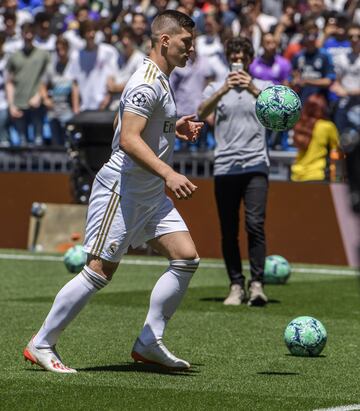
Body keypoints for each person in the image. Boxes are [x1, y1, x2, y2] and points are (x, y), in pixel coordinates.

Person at [23, 10, 203, 374]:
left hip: (149, 192)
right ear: (165, 40)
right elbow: (128, 139)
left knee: (186, 257)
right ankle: (41, 343)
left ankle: (150, 342)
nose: (192, 49)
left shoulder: (162, 79)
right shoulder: (145, 82)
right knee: (99, 271)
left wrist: (174, 127)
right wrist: (169, 172)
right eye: (186, 42)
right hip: (123, 190)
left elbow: (145, 126)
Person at [198, 36, 271, 307]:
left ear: (250, 60)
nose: (238, 62)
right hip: (226, 165)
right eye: (234, 57)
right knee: (228, 229)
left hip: (256, 164)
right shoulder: (216, 86)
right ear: (229, 59)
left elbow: (278, 113)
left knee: (255, 225)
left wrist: (252, 89)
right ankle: (235, 284)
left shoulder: (264, 86)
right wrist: (221, 91)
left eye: (242, 57)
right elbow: (200, 111)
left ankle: (257, 284)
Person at [5, 22, 50, 146]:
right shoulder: (14, 56)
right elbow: (9, 82)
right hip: (19, 103)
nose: (28, 35)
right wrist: (11, 105)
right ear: (22, 33)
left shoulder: (43, 54)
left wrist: (39, 95)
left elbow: (46, 78)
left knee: (38, 141)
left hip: (36, 103)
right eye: (26, 32)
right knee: (22, 142)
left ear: (35, 34)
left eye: (31, 32)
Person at [291, 94, 340, 182]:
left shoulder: (299, 124)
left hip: (296, 174)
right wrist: (338, 177)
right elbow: (337, 152)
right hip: (317, 175)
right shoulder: (327, 126)